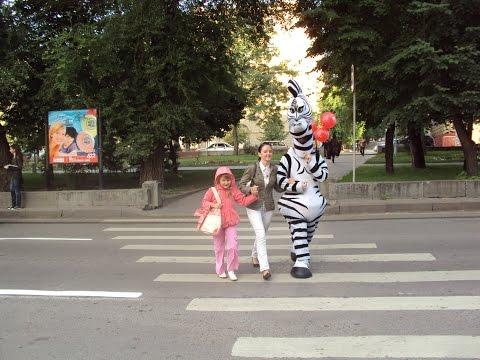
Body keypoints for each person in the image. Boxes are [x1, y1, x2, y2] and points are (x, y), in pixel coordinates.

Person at [197, 166, 258, 281]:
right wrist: (213, 205)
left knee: (233, 246)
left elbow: (243, 201)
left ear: (232, 179)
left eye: (228, 179)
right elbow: (204, 202)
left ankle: (231, 269)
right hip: (217, 224)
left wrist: (254, 196)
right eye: (223, 180)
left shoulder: (233, 190)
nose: (226, 182)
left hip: (230, 223)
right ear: (218, 180)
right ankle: (220, 269)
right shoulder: (212, 191)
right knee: (219, 248)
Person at [239, 142, 284, 280]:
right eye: (265, 151)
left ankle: (254, 255)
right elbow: (240, 185)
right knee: (260, 233)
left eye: (270, 151)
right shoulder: (253, 168)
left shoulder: (275, 169)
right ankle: (265, 268)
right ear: (259, 154)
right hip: (253, 206)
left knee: (261, 234)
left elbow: (277, 188)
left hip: (269, 206)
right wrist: (249, 189)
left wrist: (288, 183)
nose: (268, 154)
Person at [4, 144, 23, 210]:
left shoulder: (18, 156)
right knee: (12, 190)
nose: (10, 150)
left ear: (14, 149)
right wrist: (8, 167)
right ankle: (13, 205)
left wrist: (10, 166)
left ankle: (18, 206)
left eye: (11, 149)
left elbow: (20, 167)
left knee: (17, 191)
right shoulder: (14, 156)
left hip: (17, 176)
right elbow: (14, 167)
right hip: (13, 176)